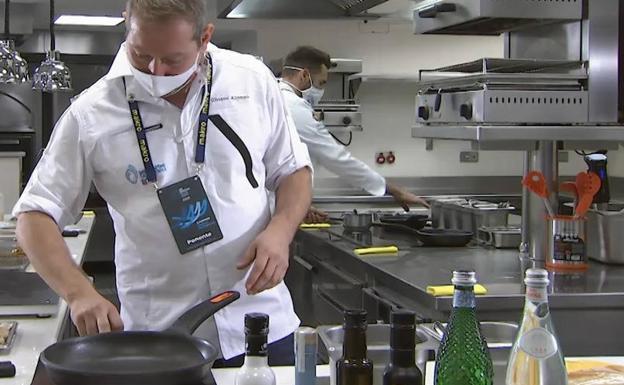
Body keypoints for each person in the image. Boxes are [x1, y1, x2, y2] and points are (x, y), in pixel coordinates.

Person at [13, 0, 312, 366]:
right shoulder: (91, 113)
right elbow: (34, 214)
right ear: (128, 22)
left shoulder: (251, 80)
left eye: (171, 59)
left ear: (205, 37)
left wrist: (281, 231)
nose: (154, 70)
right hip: (159, 337)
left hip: (262, 324)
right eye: (141, 55)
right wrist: (78, 293)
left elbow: (293, 170)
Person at [279, 46, 428, 223]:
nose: (320, 91)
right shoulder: (294, 108)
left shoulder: (276, 99)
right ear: (304, 75)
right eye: (321, 84)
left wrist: (296, 203)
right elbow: (336, 158)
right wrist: (394, 190)